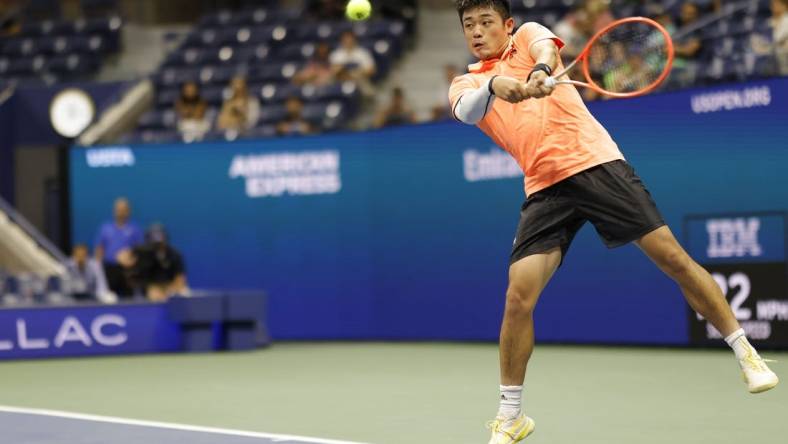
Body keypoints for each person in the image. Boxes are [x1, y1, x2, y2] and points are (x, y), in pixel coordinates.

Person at [448, 2, 779, 442]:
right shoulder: (466, 81)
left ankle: (746, 352)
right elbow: (469, 109)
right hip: (544, 188)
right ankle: (511, 416)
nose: (476, 31)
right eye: (469, 25)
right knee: (517, 298)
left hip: (594, 163)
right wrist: (496, 84)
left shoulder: (528, 34)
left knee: (673, 259)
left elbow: (545, 47)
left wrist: (539, 73)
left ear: (506, 25)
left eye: (486, 22)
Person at [94, 197, 143, 299]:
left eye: (124, 210)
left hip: (127, 271)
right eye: (118, 209)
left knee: (127, 297)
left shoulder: (134, 229)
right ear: (114, 211)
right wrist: (98, 268)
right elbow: (99, 248)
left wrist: (130, 261)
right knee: (109, 297)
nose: (121, 212)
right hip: (109, 269)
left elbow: (140, 250)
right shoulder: (105, 228)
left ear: (128, 211)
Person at [129, 224, 189, 302]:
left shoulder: (174, 254)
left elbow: (180, 277)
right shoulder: (142, 254)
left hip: (171, 287)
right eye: (155, 242)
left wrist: (172, 290)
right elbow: (137, 278)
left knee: (184, 292)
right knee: (154, 295)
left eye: (160, 242)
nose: (158, 245)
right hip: (151, 288)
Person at [330, 30, 376, 96]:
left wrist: (357, 72)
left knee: (366, 88)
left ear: (354, 39)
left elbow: (372, 70)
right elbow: (333, 70)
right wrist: (345, 72)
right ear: (342, 41)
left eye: (350, 39)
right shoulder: (336, 54)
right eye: (345, 39)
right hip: (341, 80)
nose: (348, 41)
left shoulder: (363, 53)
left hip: (359, 80)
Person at [772, 0, 788, 75]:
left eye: (776, 4)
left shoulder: (786, 19)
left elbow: (778, 38)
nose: (773, 7)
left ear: (784, 6)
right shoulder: (772, 20)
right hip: (779, 59)